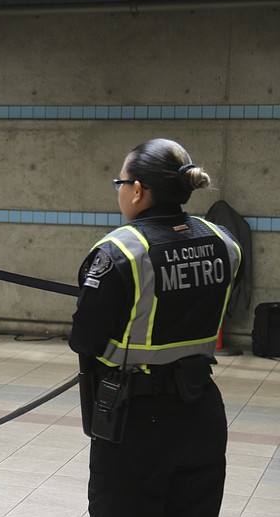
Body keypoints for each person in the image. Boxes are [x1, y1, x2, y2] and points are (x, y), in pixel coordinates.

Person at [69, 138, 242, 516]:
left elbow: (85, 338)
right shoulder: (223, 242)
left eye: (120, 183)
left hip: (136, 418)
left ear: (136, 190)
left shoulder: (121, 250)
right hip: (202, 410)